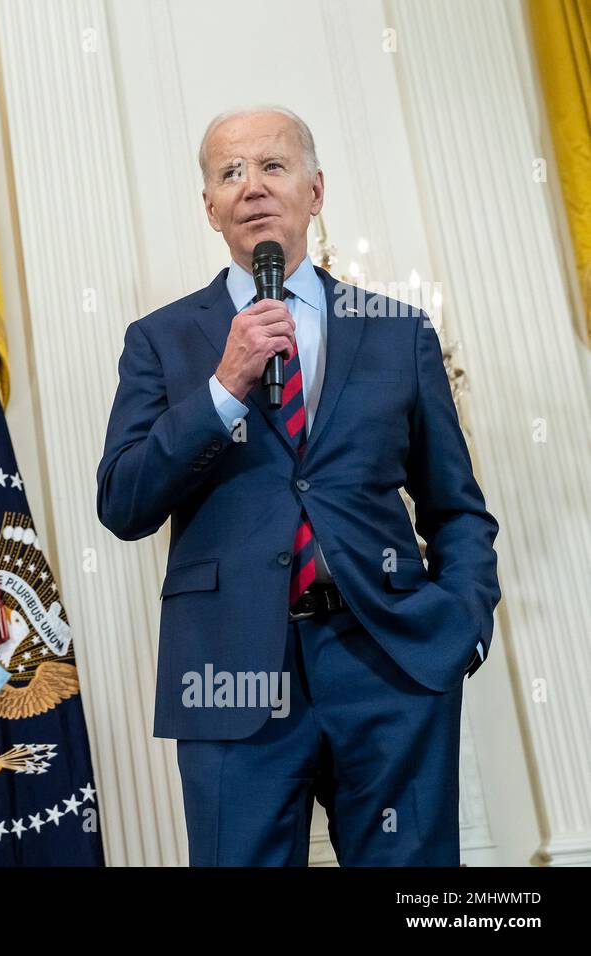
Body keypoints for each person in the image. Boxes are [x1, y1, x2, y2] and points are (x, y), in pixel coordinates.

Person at [96, 106, 500, 866]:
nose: (252, 186)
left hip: (389, 665)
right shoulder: (162, 340)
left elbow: (456, 509)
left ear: (316, 191)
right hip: (228, 677)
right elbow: (122, 502)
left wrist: (461, 626)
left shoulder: (397, 331)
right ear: (209, 207)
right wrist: (223, 386)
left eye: (273, 166)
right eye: (230, 172)